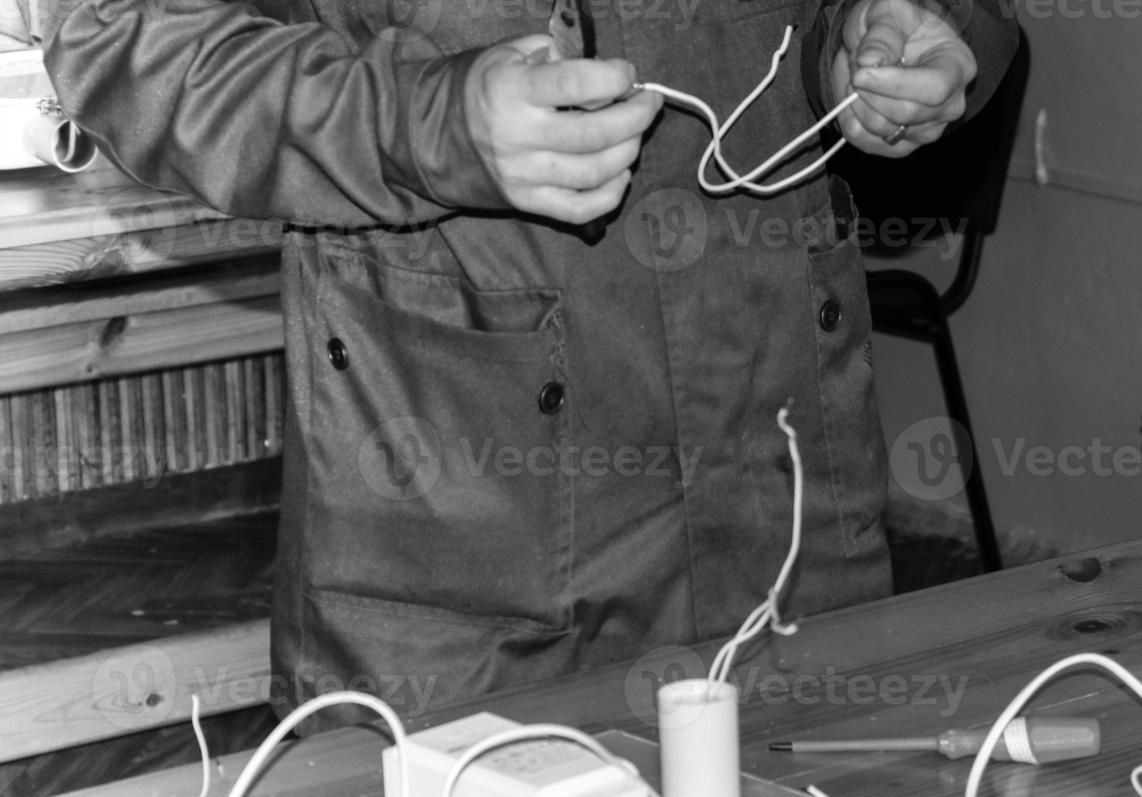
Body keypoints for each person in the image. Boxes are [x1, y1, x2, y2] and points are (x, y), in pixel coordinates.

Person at [41, 0, 1018, 726]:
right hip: (470, 534)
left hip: (788, 487)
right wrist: (426, 123)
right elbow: (119, 36)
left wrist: (897, 33)